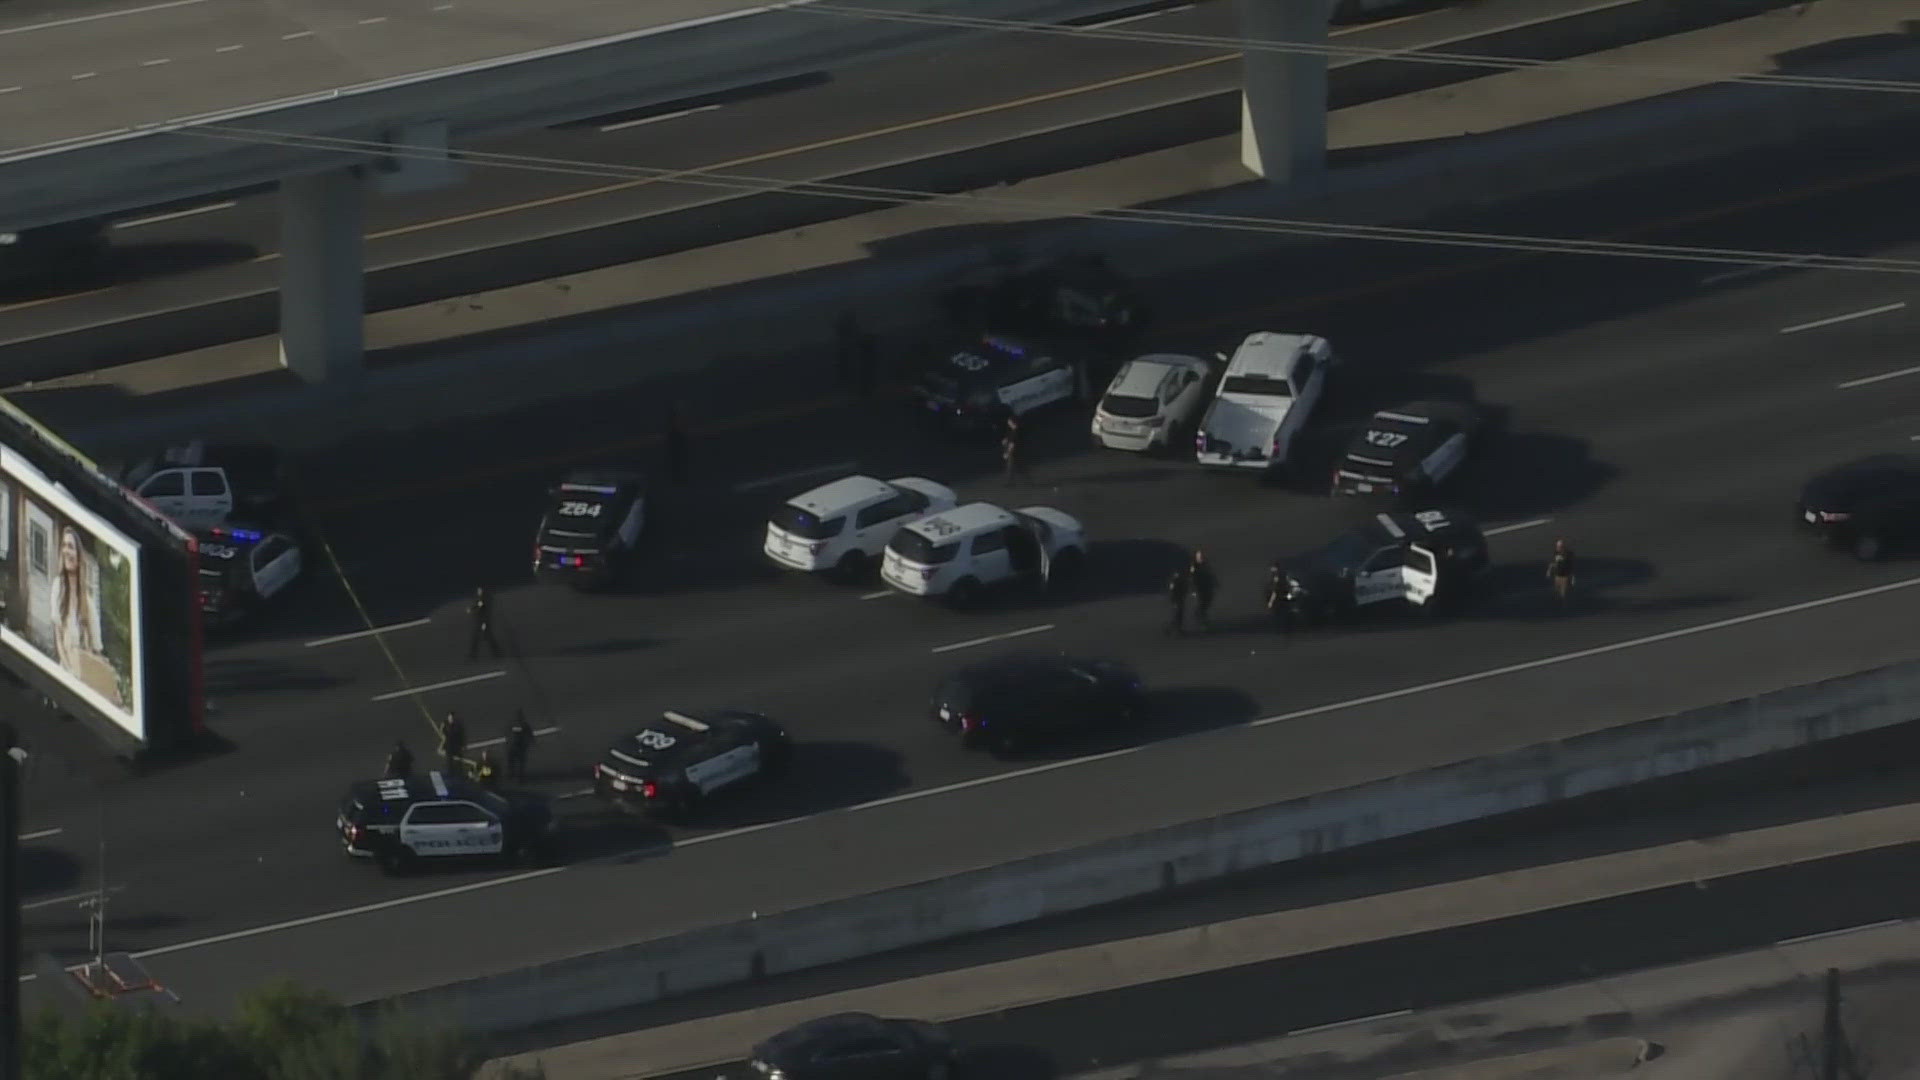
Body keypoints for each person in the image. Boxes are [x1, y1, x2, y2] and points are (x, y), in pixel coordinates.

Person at [467, 585, 500, 660]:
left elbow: (480, 607)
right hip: (482, 621)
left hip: (483, 621)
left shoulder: (484, 599)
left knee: (479, 638)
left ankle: (473, 656)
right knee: (485, 638)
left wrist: (471, 610)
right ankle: (497, 653)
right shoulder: (484, 598)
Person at [1189, 549, 1218, 629]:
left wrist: (1214, 582)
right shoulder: (1194, 567)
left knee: (1206, 603)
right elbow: (1193, 578)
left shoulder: (1205, 565)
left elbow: (1210, 574)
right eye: (1198, 556)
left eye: (1201, 556)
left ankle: (1202, 618)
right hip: (1201, 588)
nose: (1200, 558)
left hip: (1207, 587)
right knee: (1202, 604)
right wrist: (1194, 588)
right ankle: (1201, 620)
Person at [504, 710, 534, 784]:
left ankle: (516, 777)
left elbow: (510, 734)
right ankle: (515, 776)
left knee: (517, 763)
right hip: (517, 747)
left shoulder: (520, 725)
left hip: (518, 747)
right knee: (517, 763)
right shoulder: (523, 725)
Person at [664, 403, 689, 485]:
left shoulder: (675, 423)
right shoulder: (674, 424)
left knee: (678, 460)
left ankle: (678, 477)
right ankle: (678, 477)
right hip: (676, 440)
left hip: (677, 440)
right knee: (677, 460)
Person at [833, 311, 860, 387]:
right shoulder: (845, 326)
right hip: (846, 348)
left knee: (848, 363)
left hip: (848, 348)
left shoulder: (846, 326)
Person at [1546, 538, 1576, 604]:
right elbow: (1552, 562)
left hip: (1565, 577)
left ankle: (1563, 606)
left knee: (1563, 594)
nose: (1558, 548)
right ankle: (1556, 605)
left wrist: (1572, 578)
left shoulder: (1568, 554)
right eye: (1557, 546)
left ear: (1563, 546)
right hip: (1557, 576)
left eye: (1559, 546)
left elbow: (1571, 566)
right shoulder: (1555, 553)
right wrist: (1549, 571)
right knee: (1556, 592)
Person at [1263, 561, 1290, 632]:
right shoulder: (1284, 576)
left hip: (1279, 598)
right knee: (1284, 612)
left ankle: (1281, 627)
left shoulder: (1276, 578)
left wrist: (1271, 602)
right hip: (1284, 597)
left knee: (1278, 612)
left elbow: (1274, 592)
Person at [1165, 564, 1190, 636]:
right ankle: (1173, 630)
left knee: (1179, 615)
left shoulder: (1181, 580)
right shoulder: (1175, 581)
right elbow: (1172, 591)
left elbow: (1184, 589)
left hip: (1179, 599)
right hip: (1176, 600)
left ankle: (1176, 629)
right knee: (1177, 615)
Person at [1002, 414, 1027, 484]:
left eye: (1009, 421)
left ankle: (1010, 482)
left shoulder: (1015, 432)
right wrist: (1006, 441)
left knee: (1010, 467)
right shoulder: (1014, 431)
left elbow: (1012, 445)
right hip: (1017, 451)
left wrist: (1006, 453)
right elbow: (1009, 440)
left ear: (1012, 422)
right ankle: (1025, 479)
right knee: (1016, 467)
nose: (1008, 423)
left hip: (1014, 452)